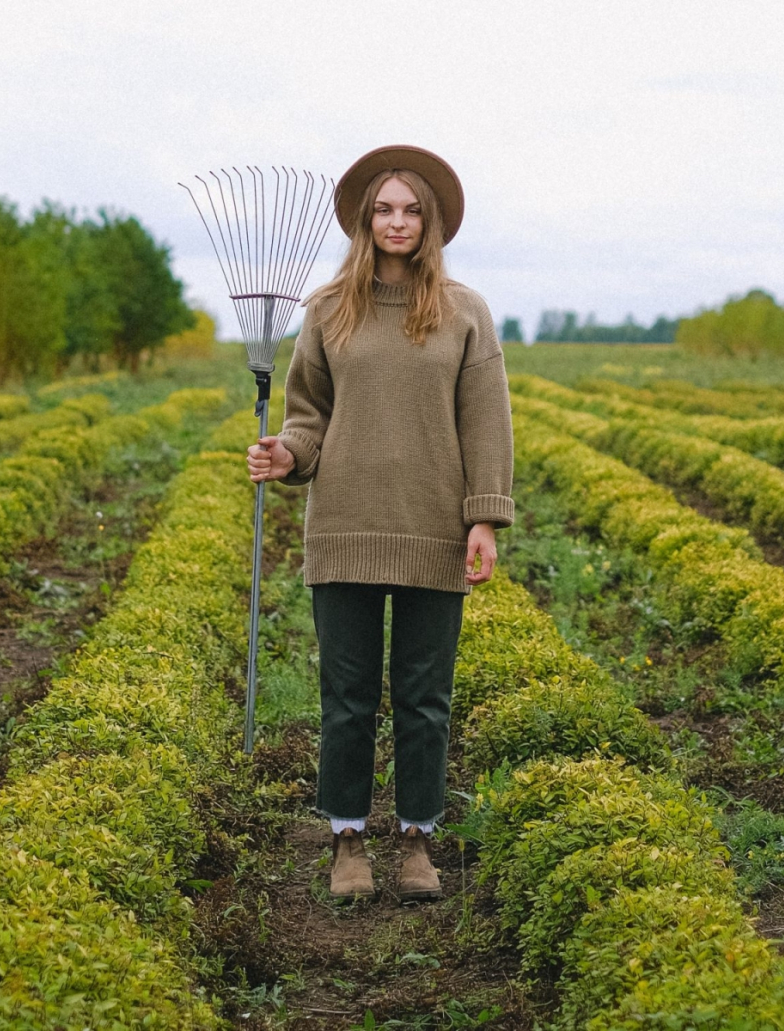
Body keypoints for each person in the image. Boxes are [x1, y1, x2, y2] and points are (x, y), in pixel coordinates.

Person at [246, 144, 513, 902]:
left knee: (425, 698)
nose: (397, 221)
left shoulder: (465, 312)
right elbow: (308, 419)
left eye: (411, 209)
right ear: (365, 220)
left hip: (431, 527)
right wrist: (284, 456)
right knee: (348, 696)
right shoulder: (328, 310)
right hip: (344, 526)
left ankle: (418, 841)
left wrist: (484, 518)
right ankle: (348, 841)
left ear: (430, 223)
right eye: (384, 209)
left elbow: (486, 422)